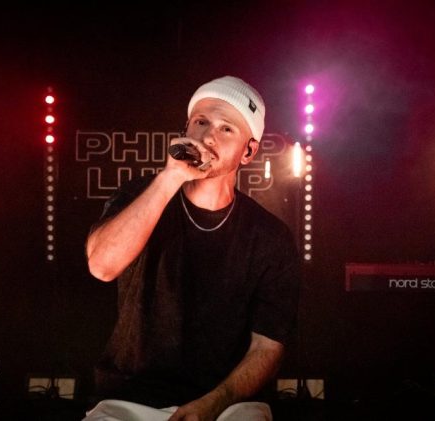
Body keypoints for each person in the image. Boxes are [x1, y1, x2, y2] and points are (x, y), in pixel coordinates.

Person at [84, 76, 301, 420]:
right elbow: (102, 266)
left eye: (226, 128)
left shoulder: (270, 237)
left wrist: (214, 403)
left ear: (248, 151)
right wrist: (170, 178)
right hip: (130, 398)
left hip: (227, 405)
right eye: (200, 122)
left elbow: (267, 346)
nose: (209, 136)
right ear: (185, 129)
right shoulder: (142, 194)